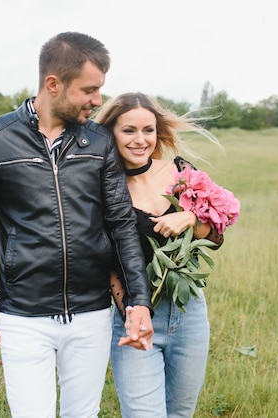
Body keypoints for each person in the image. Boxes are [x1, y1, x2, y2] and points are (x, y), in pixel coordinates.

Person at [0, 33, 153, 418]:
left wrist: (138, 301)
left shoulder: (99, 142)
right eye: (90, 90)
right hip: (23, 317)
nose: (98, 101)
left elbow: (121, 227)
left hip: (91, 315)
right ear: (53, 84)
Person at [95, 92, 225, 417]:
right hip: (136, 315)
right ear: (110, 132)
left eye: (148, 130)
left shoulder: (180, 173)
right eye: (129, 130)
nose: (141, 140)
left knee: (181, 413)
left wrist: (192, 218)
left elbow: (217, 237)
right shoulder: (98, 187)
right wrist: (133, 313)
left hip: (189, 311)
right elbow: (107, 264)